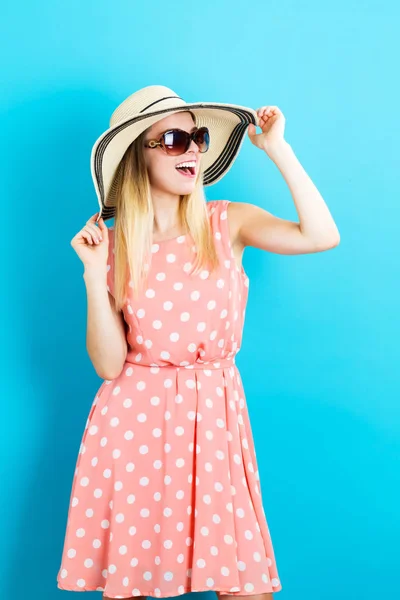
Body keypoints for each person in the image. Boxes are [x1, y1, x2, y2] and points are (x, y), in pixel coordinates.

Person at [56, 85, 340, 600]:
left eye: (198, 137)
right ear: (136, 158)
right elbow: (108, 365)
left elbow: (321, 235)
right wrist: (94, 278)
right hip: (134, 423)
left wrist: (279, 149)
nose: (190, 148)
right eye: (171, 138)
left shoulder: (226, 222)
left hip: (214, 416)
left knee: (244, 586)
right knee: (134, 586)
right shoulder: (116, 247)